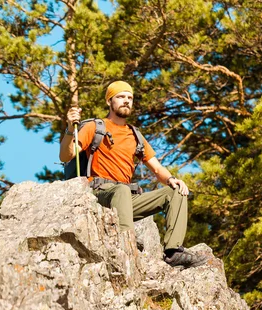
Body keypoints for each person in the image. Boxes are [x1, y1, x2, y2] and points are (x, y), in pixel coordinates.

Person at [59, 81, 207, 269]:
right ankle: (126, 248)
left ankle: (173, 252)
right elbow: (66, 155)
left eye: (129, 98)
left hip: (126, 199)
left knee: (175, 192)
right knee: (120, 189)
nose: (126, 101)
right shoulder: (95, 127)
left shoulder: (135, 135)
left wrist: (171, 179)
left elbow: (157, 168)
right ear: (109, 101)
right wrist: (70, 129)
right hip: (98, 194)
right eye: (121, 97)